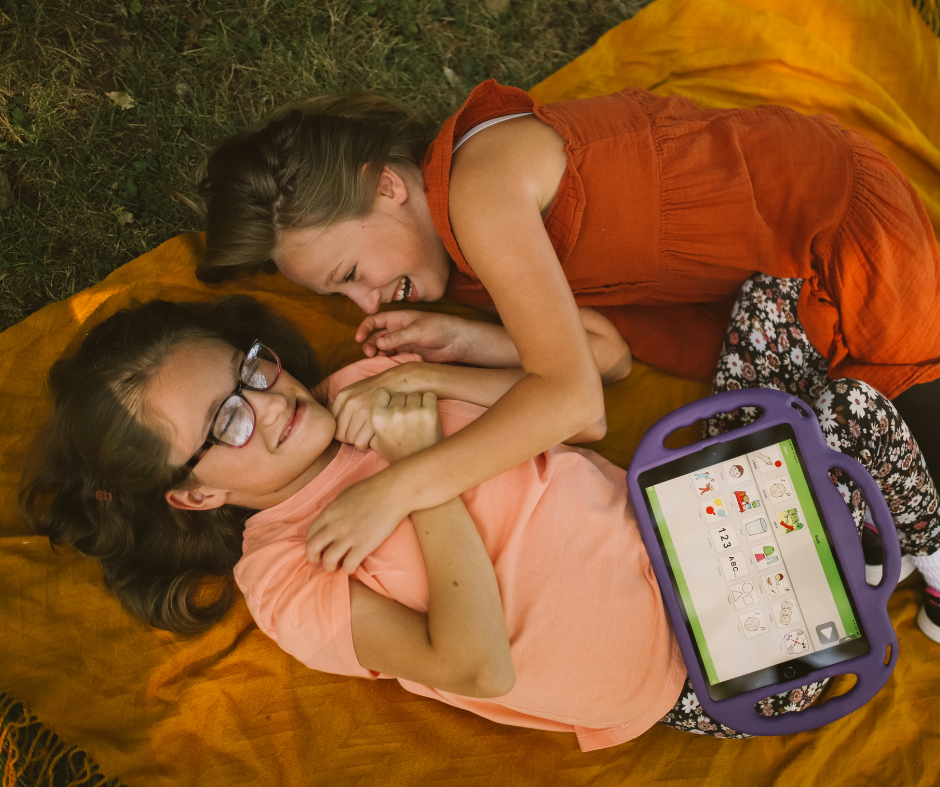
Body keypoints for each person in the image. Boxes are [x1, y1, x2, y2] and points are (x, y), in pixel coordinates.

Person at [19, 294, 940, 745]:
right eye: (224, 423)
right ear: (194, 494)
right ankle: (913, 554)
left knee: (782, 308)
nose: (265, 402)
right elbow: (475, 662)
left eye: (251, 369)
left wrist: (463, 352)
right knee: (879, 418)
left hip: (686, 512)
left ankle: (898, 547)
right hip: (707, 662)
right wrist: (415, 476)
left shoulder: (368, 386)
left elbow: (580, 404)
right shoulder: (286, 574)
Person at [195, 82, 940, 576]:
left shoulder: (482, 194)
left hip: (837, 238)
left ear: (386, 187)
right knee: (779, 480)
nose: (364, 304)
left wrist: (400, 489)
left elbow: (574, 404)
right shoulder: (465, 263)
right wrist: (458, 352)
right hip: (755, 292)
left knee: (876, 435)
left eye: (350, 274)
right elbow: (605, 358)